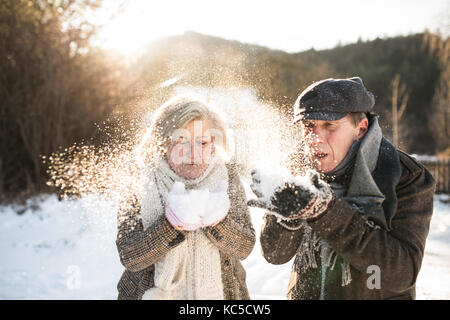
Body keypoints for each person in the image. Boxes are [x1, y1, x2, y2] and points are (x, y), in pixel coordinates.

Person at [248, 77, 436, 299]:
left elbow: (401, 274)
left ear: (361, 128)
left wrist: (325, 212)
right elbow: (274, 254)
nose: (315, 138)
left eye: (329, 125)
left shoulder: (404, 175)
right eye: (308, 126)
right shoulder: (294, 168)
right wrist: (287, 219)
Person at [116, 96, 255, 300]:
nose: (193, 153)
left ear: (213, 143)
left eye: (202, 142)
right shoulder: (140, 179)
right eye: (181, 141)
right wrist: (170, 225)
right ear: (163, 142)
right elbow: (130, 257)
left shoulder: (226, 176)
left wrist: (218, 222)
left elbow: (245, 247)